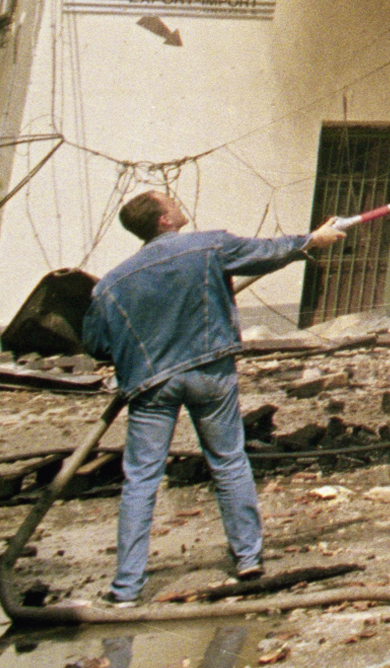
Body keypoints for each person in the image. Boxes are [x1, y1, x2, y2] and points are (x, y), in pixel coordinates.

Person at [79, 190, 348, 603]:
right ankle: (249, 559)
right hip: (210, 373)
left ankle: (126, 588)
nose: (176, 201)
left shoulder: (112, 284)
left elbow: (97, 345)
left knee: (140, 481)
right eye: (169, 201)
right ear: (164, 221)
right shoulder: (209, 245)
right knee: (228, 462)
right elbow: (266, 251)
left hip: (152, 386)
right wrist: (312, 241)